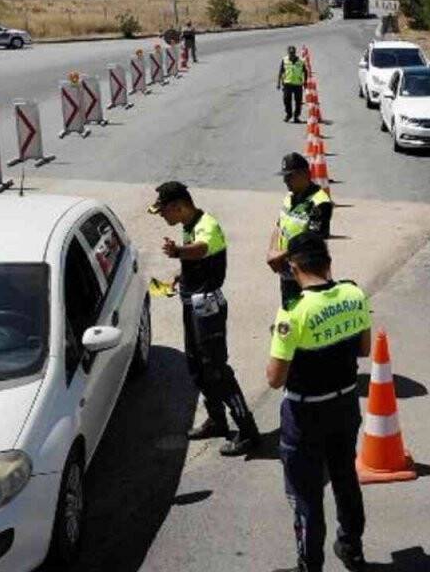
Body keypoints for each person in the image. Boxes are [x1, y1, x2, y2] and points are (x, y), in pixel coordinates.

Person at [266, 234, 370, 572]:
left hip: (304, 414)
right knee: (344, 477)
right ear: (328, 261)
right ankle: (351, 547)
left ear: (294, 267)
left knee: (306, 496)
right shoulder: (355, 294)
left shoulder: (293, 312)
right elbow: (364, 349)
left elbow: (274, 378)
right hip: (344, 405)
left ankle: (310, 564)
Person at [151, 181, 260, 456]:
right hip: (192, 305)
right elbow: (199, 259)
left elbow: (201, 249)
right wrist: (180, 274)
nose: (163, 217)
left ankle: (248, 431)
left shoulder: (206, 226)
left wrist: (177, 251)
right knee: (196, 366)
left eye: (164, 211)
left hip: (208, 309)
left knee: (217, 370)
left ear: (178, 206)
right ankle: (217, 419)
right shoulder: (187, 226)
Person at [267, 153, 333, 308]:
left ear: (304, 174)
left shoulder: (319, 203)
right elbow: (279, 225)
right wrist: (271, 251)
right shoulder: (290, 197)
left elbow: (311, 240)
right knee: (289, 312)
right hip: (287, 269)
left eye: (289, 176)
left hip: (309, 272)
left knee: (310, 313)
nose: (285, 181)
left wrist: (279, 257)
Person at [277, 45, 308, 123]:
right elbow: (281, 72)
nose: (292, 54)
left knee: (298, 102)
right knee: (286, 100)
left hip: (298, 84)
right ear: (288, 53)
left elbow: (305, 71)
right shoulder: (284, 60)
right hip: (287, 83)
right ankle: (289, 114)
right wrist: (278, 83)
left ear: (295, 53)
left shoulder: (300, 61)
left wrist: (305, 82)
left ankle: (296, 116)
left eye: (293, 53)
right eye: (290, 53)